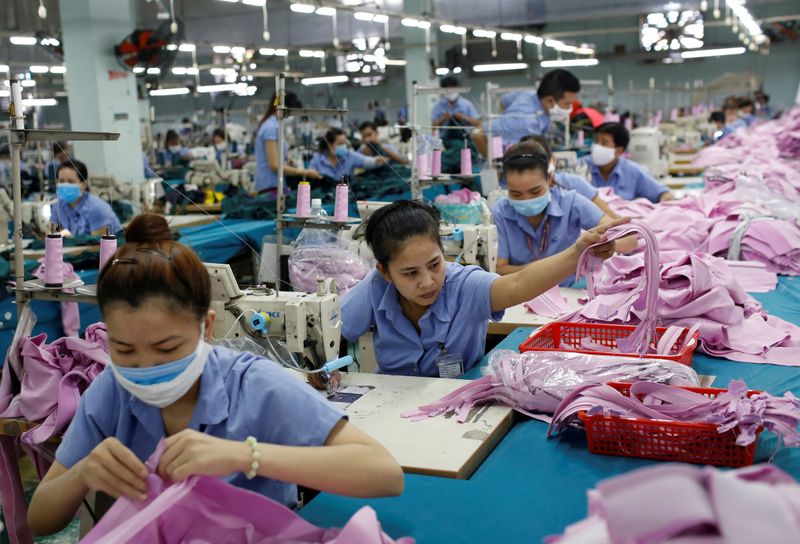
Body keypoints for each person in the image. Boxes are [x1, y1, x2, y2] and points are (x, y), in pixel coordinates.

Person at [27, 214, 404, 536]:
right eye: (124, 350)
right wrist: (83, 474)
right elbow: (40, 519)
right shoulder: (111, 391)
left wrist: (245, 456)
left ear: (207, 327)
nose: (146, 368)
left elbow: (384, 474)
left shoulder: (254, 384)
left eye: (167, 348)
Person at [341, 200, 628, 376]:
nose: (427, 281)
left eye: (434, 264)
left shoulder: (465, 286)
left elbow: (519, 283)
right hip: (391, 400)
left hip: (454, 401)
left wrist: (576, 252)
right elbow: (334, 330)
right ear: (385, 272)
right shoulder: (375, 288)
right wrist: (324, 369)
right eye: (409, 273)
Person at [492, 141, 635, 284]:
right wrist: (555, 267)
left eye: (535, 191)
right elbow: (500, 269)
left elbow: (630, 241)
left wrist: (609, 244)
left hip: (569, 289)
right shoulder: (501, 211)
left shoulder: (571, 203)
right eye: (516, 194)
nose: (526, 199)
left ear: (549, 179)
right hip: (520, 294)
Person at [473, 69, 580, 156]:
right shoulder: (526, 122)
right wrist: (492, 162)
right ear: (550, 101)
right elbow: (478, 134)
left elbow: (504, 100)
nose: (569, 108)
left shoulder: (531, 94)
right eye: (567, 104)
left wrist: (504, 118)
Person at [519, 135, 617, 218]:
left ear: (552, 159)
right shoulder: (513, 193)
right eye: (528, 163)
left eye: (539, 161)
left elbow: (609, 215)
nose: (534, 168)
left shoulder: (572, 185)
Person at [585, 122, 672, 203]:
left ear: (619, 150)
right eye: (596, 141)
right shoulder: (580, 167)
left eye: (604, 143)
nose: (597, 146)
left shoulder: (633, 172)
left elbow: (664, 194)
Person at [254, 91, 322, 194]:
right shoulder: (271, 128)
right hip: (269, 186)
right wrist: (303, 172)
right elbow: (274, 165)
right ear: (283, 108)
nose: (292, 116)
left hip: (275, 183)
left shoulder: (275, 125)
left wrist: (287, 160)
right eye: (292, 112)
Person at [49, 159, 122, 237]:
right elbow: (49, 233)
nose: (65, 185)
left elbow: (97, 244)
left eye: (71, 181)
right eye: (61, 181)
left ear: (84, 184)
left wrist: (71, 239)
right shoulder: (59, 206)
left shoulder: (96, 207)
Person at [308, 128, 388, 182]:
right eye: (340, 144)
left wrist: (377, 160)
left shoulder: (349, 156)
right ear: (329, 144)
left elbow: (367, 161)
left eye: (345, 143)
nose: (344, 146)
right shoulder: (317, 159)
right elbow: (311, 175)